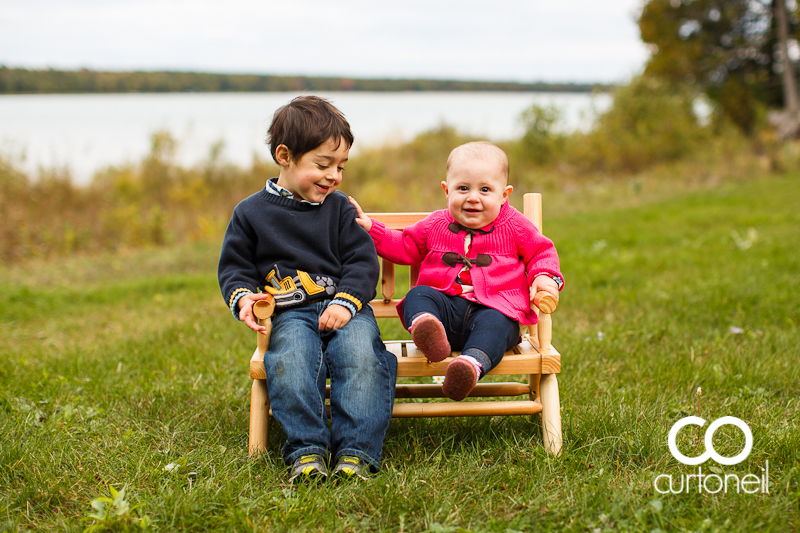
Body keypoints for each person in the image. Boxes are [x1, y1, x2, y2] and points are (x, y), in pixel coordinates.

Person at [218, 96, 397, 482]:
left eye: (341, 166)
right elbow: (235, 268)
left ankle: (356, 451)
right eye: (323, 164)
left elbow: (363, 261)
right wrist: (245, 297)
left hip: (346, 308)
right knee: (291, 361)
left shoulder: (340, 210)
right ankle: (307, 450)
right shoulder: (250, 213)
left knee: (361, 358)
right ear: (285, 156)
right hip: (289, 312)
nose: (334, 175)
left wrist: (348, 302)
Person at [349, 141, 563, 401]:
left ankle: (469, 366)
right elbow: (406, 247)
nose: (473, 197)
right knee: (419, 295)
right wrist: (373, 229)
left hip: (492, 312)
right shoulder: (436, 224)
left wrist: (544, 278)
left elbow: (541, 252)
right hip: (445, 314)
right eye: (463, 188)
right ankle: (427, 330)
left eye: (485, 189)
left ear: (504, 195)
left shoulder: (514, 225)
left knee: (500, 324)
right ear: (446, 190)